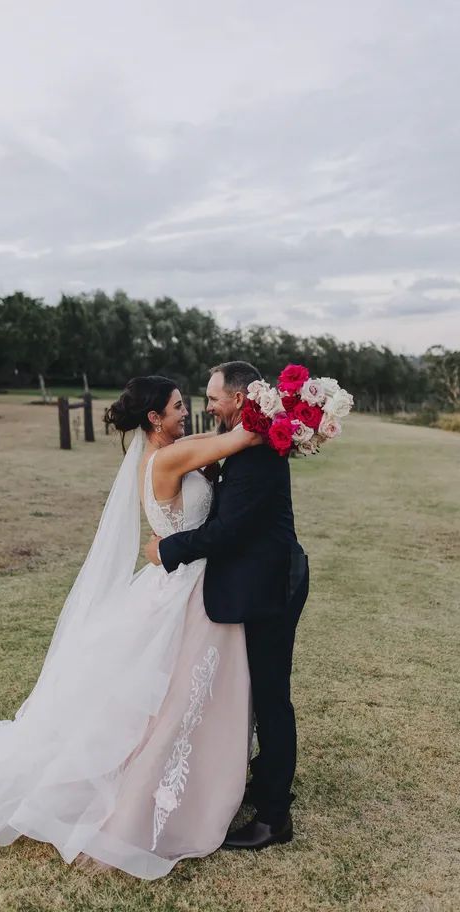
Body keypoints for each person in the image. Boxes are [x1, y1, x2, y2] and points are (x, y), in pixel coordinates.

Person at [0, 375, 262, 880]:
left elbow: (212, 453)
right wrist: (290, 410)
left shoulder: (174, 448)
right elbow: (246, 438)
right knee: (170, 697)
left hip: (182, 581)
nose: (185, 413)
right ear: (154, 419)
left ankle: (197, 779)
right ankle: (150, 796)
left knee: (180, 692)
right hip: (182, 587)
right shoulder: (169, 458)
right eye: (176, 407)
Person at [146, 361, 309, 850]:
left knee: (272, 698)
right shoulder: (244, 441)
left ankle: (275, 817)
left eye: (213, 397)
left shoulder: (256, 450)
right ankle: (263, 780)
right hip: (257, 580)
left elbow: (227, 531)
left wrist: (165, 551)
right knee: (258, 693)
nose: (207, 405)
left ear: (238, 399)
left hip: (271, 586)